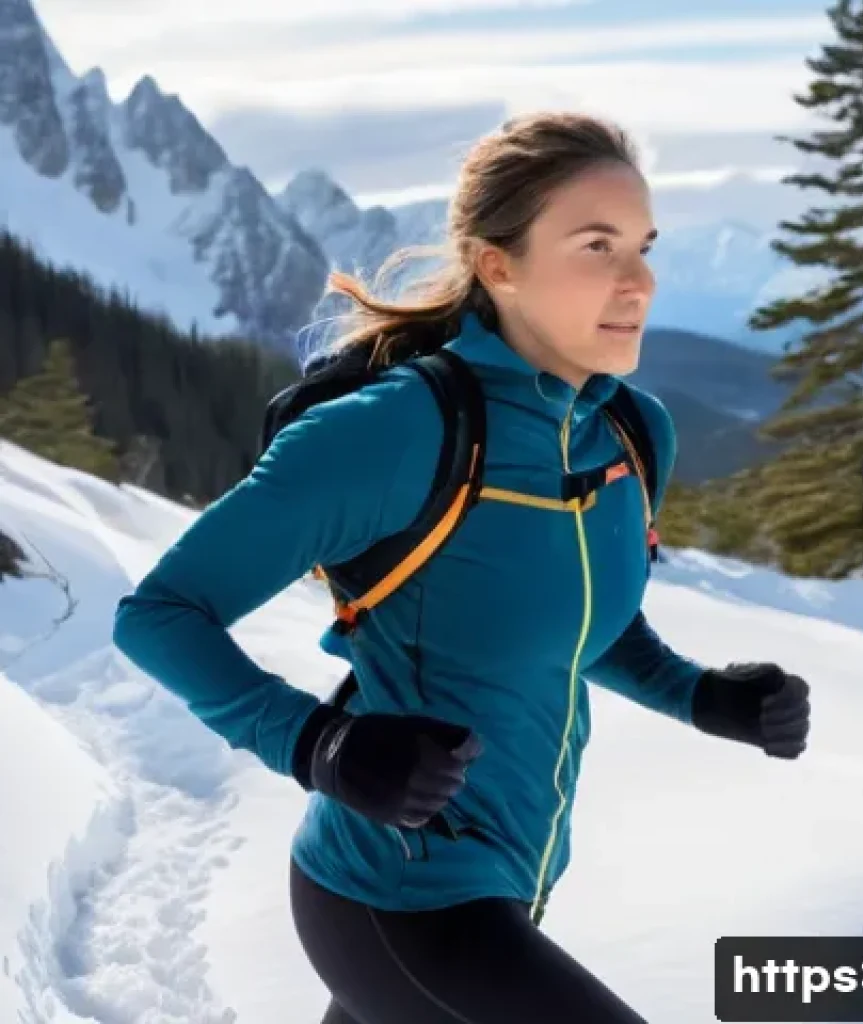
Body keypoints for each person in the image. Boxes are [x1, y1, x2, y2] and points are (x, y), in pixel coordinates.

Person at [112, 111, 811, 1024]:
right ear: (498, 265)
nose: (637, 281)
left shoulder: (633, 433)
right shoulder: (395, 432)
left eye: (642, 246)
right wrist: (320, 746)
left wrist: (699, 695)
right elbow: (160, 614)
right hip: (396, 896)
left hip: (511, 880)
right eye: (596, 246)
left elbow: (566, 620)